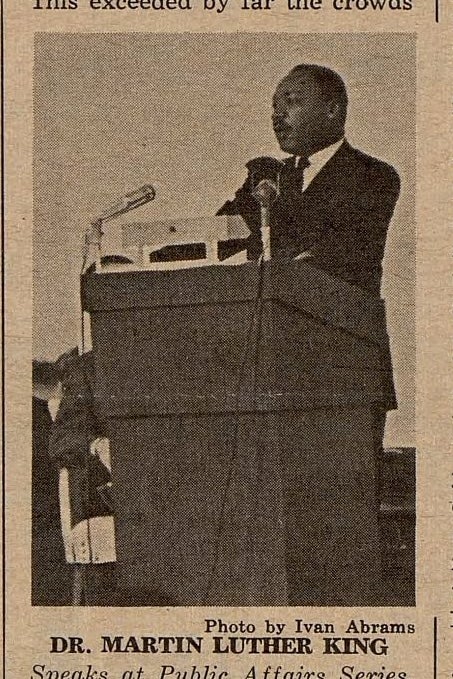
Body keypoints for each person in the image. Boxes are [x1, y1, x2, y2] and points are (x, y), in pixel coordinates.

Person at [218, 64, 402, 605]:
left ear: (333, 111)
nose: (278, 113)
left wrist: (270, 202)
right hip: (272, 372)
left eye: (293, 101)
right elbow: (222, 241)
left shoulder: (373, 174)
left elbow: (334, 256)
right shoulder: (265, 178)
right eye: (275, 103)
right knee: (279, 521)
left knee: (340, 527)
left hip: (342, 369)